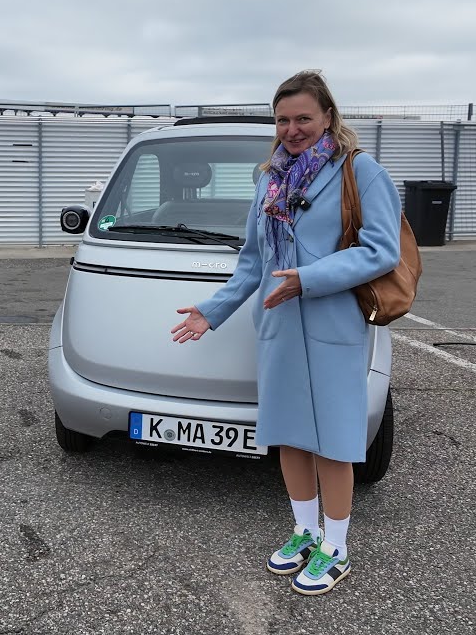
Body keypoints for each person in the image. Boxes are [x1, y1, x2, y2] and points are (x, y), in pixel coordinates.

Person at [171, 70, 402, 596]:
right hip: (277, 326)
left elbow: (380, 250)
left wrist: (309, 279)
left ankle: (336, 547)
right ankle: (304, 531)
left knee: (333, 442)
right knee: (289, 435)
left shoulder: (359, 172)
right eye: (283, 119)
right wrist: (213, 310)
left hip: (331, 325)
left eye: (303, 118)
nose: (292, 129)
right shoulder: (269, 178)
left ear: (327, 118)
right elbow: (253, 262)